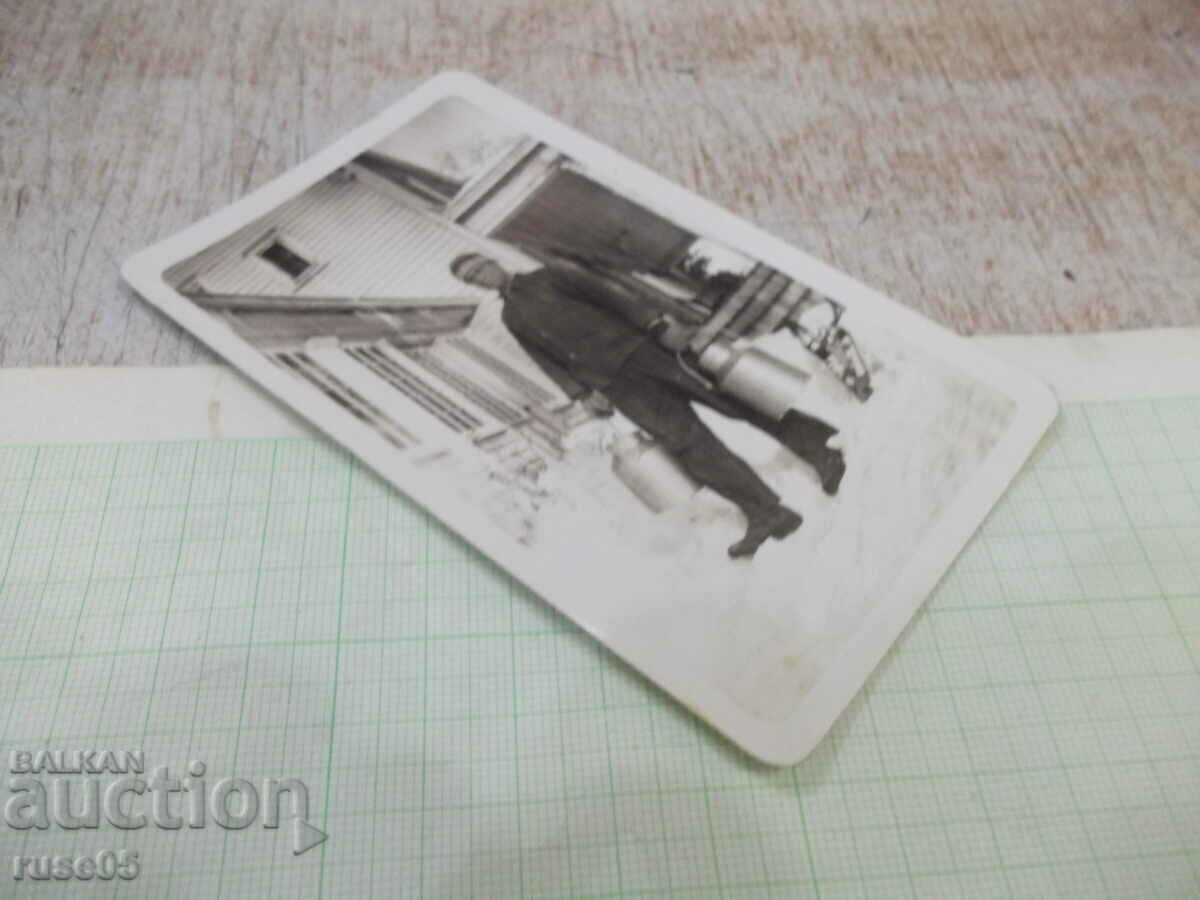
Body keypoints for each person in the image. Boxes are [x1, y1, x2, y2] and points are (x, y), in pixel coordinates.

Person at [449, 252, 846, 559]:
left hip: (647, 351)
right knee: (686, 445)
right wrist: (582, 394)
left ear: (492, 263)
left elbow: (610, 296)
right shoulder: (512, 316)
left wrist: (656, 324)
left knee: (735, 402)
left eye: (478, 268)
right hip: (618, 385)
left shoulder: (548, 276)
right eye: (471, 278)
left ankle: (823, 451)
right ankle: (766, 513)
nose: (480, 277)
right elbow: (546, 361)